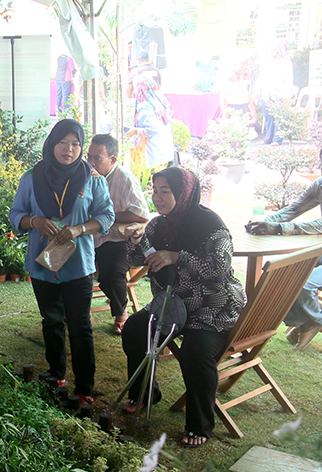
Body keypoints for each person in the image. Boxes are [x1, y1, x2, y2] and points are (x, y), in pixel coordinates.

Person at [121, 167, 246, 447]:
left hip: (211, 308)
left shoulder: (211, 225)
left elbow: (219, 267)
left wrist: (177, 256)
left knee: (196, 351)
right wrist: (137, 240)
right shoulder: (157, 225)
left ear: (184, 193)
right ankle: (145, 394)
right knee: (134, 328)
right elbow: (136, 259)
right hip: (171, 306)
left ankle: (199, 425)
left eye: (166, 191)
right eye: (155, 190)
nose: (158, 197)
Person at [9, 119, 115, 406]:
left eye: (76, 144)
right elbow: (15, 214)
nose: (69, 149)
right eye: (63, 142)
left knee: (80, 325)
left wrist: (80, 229)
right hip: (43, 263)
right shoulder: (32, 178)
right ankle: (56, 373)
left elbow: (107, 216)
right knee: (51, 320)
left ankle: (85, 388)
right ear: (52, 143)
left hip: (78, 264)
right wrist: (35, 221)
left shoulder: (93, 179)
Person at [246, 172, 322, 349]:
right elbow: (293, 210)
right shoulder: (319, 185)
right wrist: (261, 221)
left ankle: (315, 320)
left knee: (305, 283)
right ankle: (306, 322)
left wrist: (279, 228)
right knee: (288, 271)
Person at [86, 134, 150, 334]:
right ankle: (80, 311)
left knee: (112, 272)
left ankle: (121, 312)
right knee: (73, 264)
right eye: (89, 157)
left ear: (113, 160)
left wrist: (107, 217)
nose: (91, 162)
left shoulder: (124, 178)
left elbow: (141, 214)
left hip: (117, 238)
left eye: (98, 158)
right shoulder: (86, 175)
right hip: (89, 235)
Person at [130, 72, 174, 168]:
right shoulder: (161, 100)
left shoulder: (145, 106)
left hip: (154, 157)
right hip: (166, 153)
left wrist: (136, 131)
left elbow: (153, 129)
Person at [257, 41, 295, 145]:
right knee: (268, 116)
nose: (271, 52)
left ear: (279, 50)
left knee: (279, 117)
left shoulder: (286, 63)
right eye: (270, 50)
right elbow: (261, 78)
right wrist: (256, 92)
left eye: (273, 49)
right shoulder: (267, 62)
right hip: (267, 93)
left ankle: (277, 139)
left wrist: (288, 93)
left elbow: (289, 80)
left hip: (280, 93)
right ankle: (267, 138)